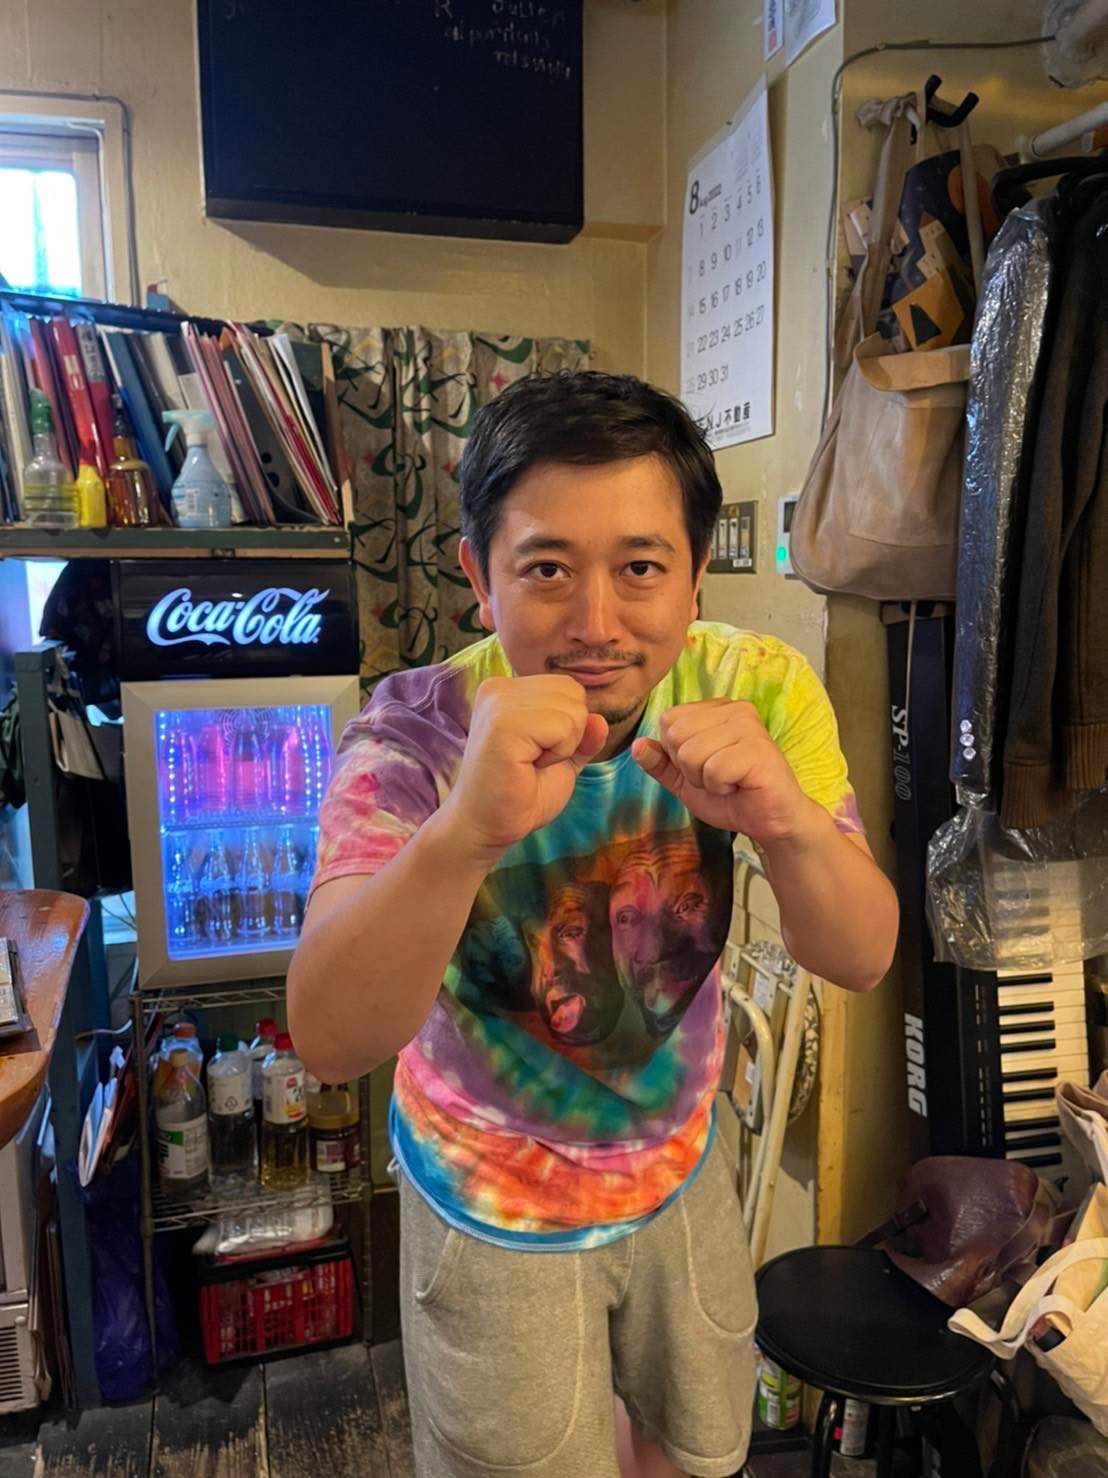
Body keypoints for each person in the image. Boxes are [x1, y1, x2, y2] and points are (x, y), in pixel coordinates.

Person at [288, 371, 899, 1478]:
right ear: (479, 577)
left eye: (641, 568)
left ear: (697, 575)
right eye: (547, 569)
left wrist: (787, 824)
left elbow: (859, 953)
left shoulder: (755, 688)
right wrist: (464, 832)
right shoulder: (413, 734)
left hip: (682, 1163)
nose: (597, 624)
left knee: (697, 1453)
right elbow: (330, 1037)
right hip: (486, 1199)